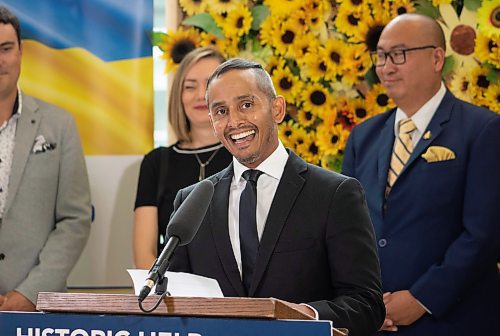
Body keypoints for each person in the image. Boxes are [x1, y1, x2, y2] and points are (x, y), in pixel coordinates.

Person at [167, 58, 385, 336]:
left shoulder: (335, 194)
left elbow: (366, 304)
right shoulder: (191, 202)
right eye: (221, 111)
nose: (234, 121)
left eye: (246, 105)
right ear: (212, 122)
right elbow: (172, 301)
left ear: (277, 108)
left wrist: (306, 316)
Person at [342, 13, 500, 335]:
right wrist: (362, 301)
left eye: (399, 54)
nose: (386, 66)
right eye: (381, 56)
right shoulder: (364, 136)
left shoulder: (482, 130)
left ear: (437, 57)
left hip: (455, 320)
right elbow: (348, 230)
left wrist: (421, 298)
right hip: (376, 321)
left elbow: (484, 235)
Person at [0, 6, 91, 311]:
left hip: (39, 307)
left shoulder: (59, 125)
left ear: (21, 52)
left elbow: (74, 219)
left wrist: (30, 292)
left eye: (6, 48)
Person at [133, 47, 232, 269]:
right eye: (189, 86)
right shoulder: (156, 162)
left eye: (209, 85)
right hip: (171, 295)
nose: (199, 95)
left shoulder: (246, 155)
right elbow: (144, 257)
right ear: (178, 94)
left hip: (238, 296)